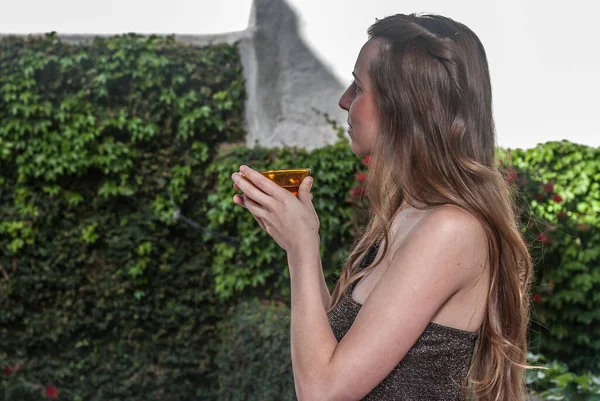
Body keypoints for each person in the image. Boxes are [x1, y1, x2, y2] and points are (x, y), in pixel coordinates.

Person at [231, 13, 532, 401]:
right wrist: (299, 243)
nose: (343, 101)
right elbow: (332, 350)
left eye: (358, 87)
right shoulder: (408, 214)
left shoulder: (452, 228)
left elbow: (322, 392)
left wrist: (303, 250)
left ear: (404, 106)